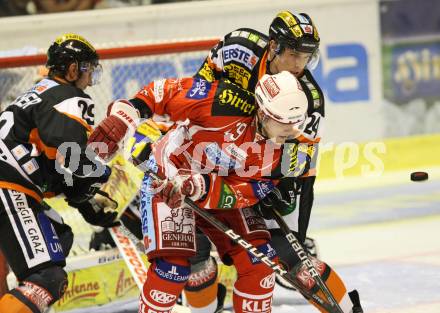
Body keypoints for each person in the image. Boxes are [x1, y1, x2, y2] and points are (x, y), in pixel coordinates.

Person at [90, 71, 314, 313]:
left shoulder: (291, 150)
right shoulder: (222, 101)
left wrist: (201, 186)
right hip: (169, 178)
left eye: (298, 122)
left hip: (216, 189)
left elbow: (250, 190)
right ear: (262, 112)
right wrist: (127, 116)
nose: (293, 130)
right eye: (284, 122)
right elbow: (161, 92)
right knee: (171, 270)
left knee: (260, 262)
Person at [185, 10, 325, 312]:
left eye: (306, 57)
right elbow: (198, 89)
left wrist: (282, 192)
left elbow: (302, 166)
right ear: (273, 46)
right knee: (192, 250)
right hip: (212, 148)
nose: (299, 65)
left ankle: (289, 251)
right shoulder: (239, 47)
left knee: (285, 242)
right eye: (292, 54)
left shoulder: (309, 98)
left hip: (258, 165)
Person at [0, 33, 118, 313]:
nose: (90, 81)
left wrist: (83, 199)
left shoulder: (38, 92)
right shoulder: (66, 95)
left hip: (13, 187)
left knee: (58, 235)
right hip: (8, 189)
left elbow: (55, 165)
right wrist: (106, 175)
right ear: (74, 69)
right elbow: (72, 157)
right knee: (48, 278)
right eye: (90, 70)